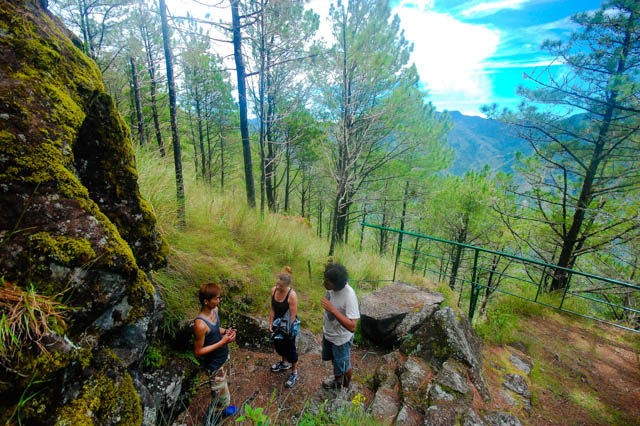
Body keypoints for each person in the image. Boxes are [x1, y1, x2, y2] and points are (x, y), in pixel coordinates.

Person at [194, 283, 237, 425]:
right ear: (206, 301)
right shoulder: (200, 324)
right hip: (214, 365)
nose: (218, 301)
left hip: (224, 357)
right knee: (221, 398)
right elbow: (198, 352)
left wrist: (226, 332)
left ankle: (222, 410)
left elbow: (215, 329)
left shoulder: (215, 311)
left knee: (224, 389)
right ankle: (209, 421)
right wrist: (222, 342)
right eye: (216, 298)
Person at [320, 262, 360, 389]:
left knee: (344, 365)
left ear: (336, 284)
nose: (324, 284)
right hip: (329, 334)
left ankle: (347, 387)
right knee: (334, 359)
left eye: (327, 282)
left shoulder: (349, 296)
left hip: (341, 339)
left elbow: (353, 326)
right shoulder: (331, 289)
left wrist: (333, 310)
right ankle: (337, 380)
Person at [268, 266, 299, 388]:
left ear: (287, 286)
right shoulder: (273, 290)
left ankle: (294, 372)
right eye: (277, 284)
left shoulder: (292, 295)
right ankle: (284, 363)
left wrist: (286, 331)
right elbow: (272, 309)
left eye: (281, 286)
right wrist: (271, 324)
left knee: (290, 348)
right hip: (276, 323)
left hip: (288, 325)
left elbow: (292, 316)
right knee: (279, 346)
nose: (278, 287)